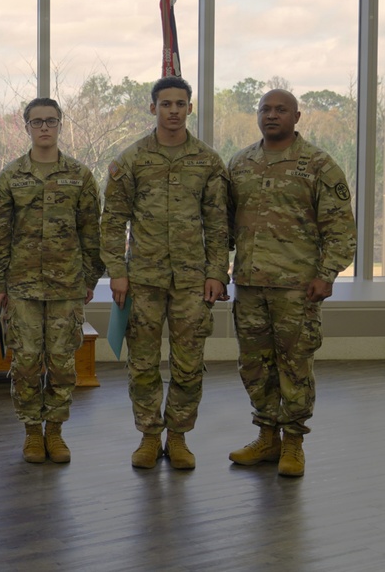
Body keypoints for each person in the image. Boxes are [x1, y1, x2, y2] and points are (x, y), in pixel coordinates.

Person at [101, 75, 229, 470]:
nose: (173, 110)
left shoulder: (207, 161)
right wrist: (117, 274)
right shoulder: (131, 159)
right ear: (152, 107)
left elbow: (218, 223)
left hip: (193, 282)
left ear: (190, 108)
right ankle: (148, 436)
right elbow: (112, 221)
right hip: (143, 280)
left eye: (180, 104)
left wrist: (216, 272)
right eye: (165, 103)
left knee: (189, 364)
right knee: (142, 364)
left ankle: (178, 437)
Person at [227, 89, 356, 477]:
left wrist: (327, 273)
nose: (272, 115)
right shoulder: (240, 163)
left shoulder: (318, 165)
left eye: (281, 110)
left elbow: (341, 229)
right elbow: (224, 225)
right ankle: (267, 438)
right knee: (254, 365)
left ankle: (294, 443)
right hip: (249, 285)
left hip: (297, 288)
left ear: (297, 117)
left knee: (295, 366)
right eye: (265, 109)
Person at [0, 97, 104, 464]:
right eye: (36, 122)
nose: (43, 128)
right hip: (21, 286)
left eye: (50, 121)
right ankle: (31, 433)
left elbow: (91, 232)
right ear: (25, 127)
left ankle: (55, 430)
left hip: (67, 285)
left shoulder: (80, 175)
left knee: (62, 362)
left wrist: (90, 278)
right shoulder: (10, 176)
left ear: (60, 125)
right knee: (24, 362)